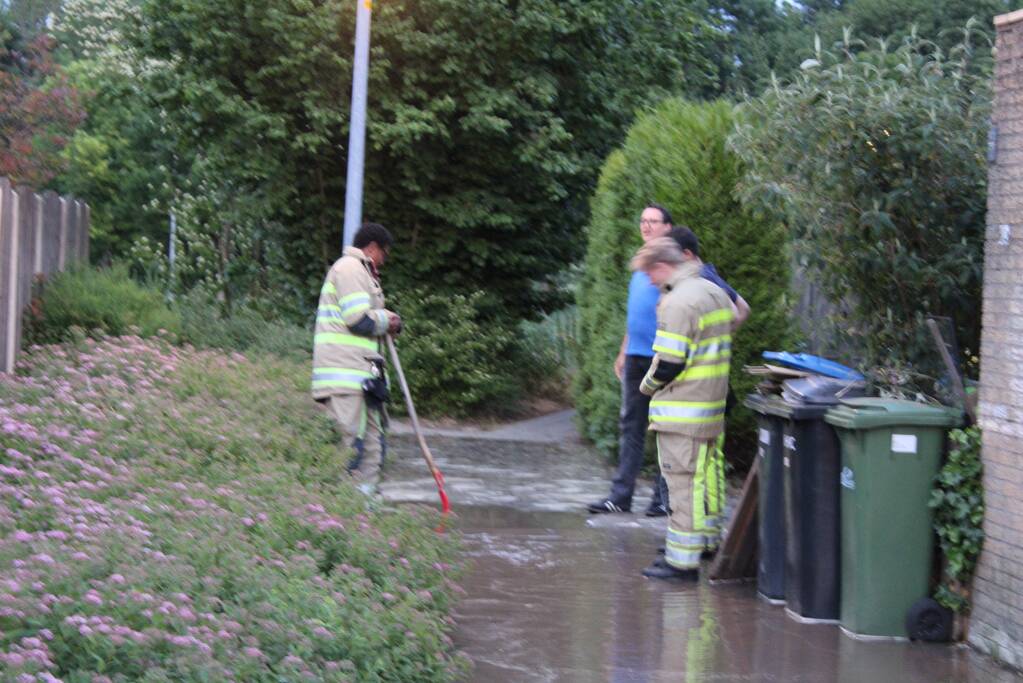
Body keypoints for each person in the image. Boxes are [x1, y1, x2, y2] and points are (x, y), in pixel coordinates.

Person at [587, 204, 748, 517]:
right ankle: (621, 496)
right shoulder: (643, 266)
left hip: (666, 361)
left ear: (669, 228)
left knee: (668, 431)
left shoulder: (691, 274)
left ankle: (663, 500)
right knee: (630, 426)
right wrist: (624, 349)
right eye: (642, 220)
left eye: (653, 221)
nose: (646, 226)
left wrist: (711, 341)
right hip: (637, 355)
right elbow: (634, 315)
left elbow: (738, 308)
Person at [631, 237, 734, 581]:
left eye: (649, 274)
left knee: (682, 485)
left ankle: (681, 563)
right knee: (704, 480)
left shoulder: (678, 302)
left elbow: (669, 362)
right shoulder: (713, 291)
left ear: (662, 266)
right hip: (710, 407)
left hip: (682, 410)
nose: (649, 281)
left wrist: (645, 388)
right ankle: (706, 541)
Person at [312, 223, 402, 495]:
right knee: (351, 448)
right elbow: (358, 320)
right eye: (383, 254)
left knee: (374, 445)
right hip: (345, 379)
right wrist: (387, 319)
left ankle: (366, 511)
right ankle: (343, 511)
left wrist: (387, 322)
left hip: (362, 378)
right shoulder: (350, 269)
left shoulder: (362, 273)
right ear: (372, 247)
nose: (383, 261)